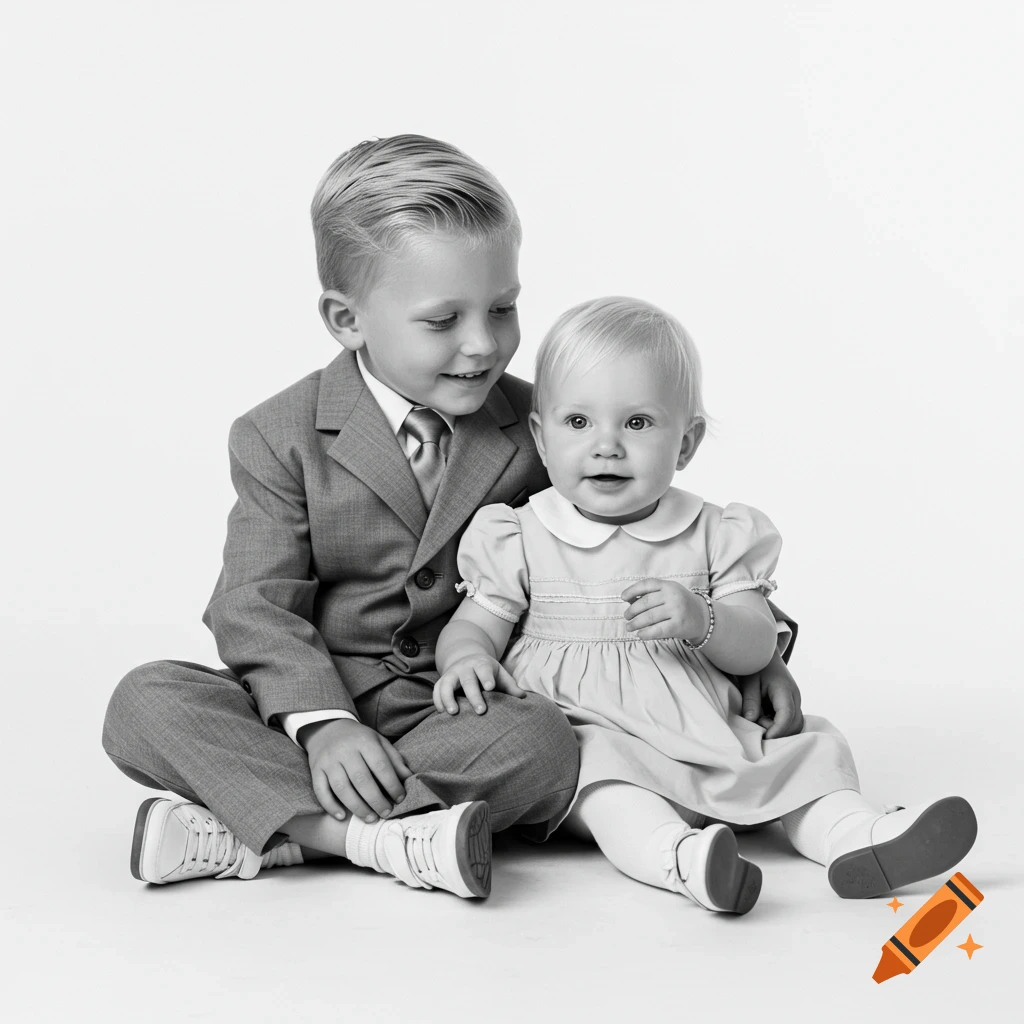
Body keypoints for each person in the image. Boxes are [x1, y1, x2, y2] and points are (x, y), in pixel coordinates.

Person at [101, 135, 582, 898]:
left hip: (463, 711)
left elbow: (633, 527)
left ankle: (276, 835)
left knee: (546, 744)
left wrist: (743, 651)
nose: (483, 343)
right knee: (144, 701)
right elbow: (254, 604)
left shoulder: (545, 423)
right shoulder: (277, 433)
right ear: (344, 318)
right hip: (314, 703)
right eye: (442, 320)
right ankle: (390, 841)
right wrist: (322, 724)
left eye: (504, 307)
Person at [433, 296, 978, 914]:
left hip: (712, 728)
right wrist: (465, 658)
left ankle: (860, 836)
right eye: (578, 422)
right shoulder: (520, 534)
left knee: (803, 756)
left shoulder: (715, 531)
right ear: (541, 434)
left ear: (686, 442)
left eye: (637, 423)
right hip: (593, 730)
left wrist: (703, 618)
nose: (606, 446)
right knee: (604, 787)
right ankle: (681, 860)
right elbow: (475, 624)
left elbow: (755, 644)